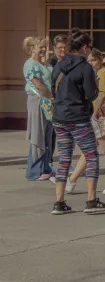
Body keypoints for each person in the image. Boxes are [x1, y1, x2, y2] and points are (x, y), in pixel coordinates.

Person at [51, 30, 105, 214]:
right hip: (78, 117)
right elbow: (91, 94)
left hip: (59, 117)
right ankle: (91, 200)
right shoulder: (85, 68)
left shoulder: (58, 64)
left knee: (64, 158)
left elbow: (53, 89)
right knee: (91, 155)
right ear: (85, 47)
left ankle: (59, 203)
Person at [64, 49, 105, 196]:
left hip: (100, 116)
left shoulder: (102, 73)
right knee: (89, 149)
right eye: (89, 61)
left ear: (100, 59)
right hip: (101, 116)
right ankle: (71, 181)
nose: (90, 63)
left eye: (93, 60)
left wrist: (93, 114)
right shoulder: (104, 72)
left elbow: (102, 95)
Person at [23, 37, 54, 181]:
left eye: (44, 47)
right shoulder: (30, 64)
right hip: (38, 101)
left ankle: (44, 169)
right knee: (38, 135)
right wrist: (52, 96)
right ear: (32, 48)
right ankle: (34, 172)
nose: (43, 49)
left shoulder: (42, 64)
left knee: (46, 136)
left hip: (46, 103)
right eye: (40, 47)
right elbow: (38, 84)